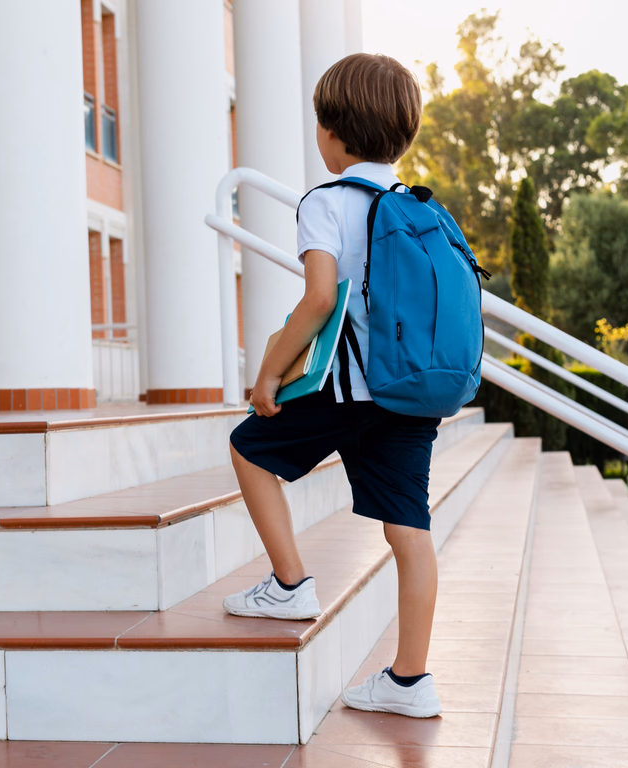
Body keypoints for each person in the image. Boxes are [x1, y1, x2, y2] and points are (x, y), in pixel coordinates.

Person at [222, 53, 443, 719]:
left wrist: (267, 374)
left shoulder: (328, 203)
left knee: (247, 448)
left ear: (329, 132)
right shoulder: (418, 206)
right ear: (402, 133)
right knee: (409, 528)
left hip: (349, 389)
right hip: (412, 393)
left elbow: (318, 300)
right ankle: (411, 682)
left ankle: (291, 584)